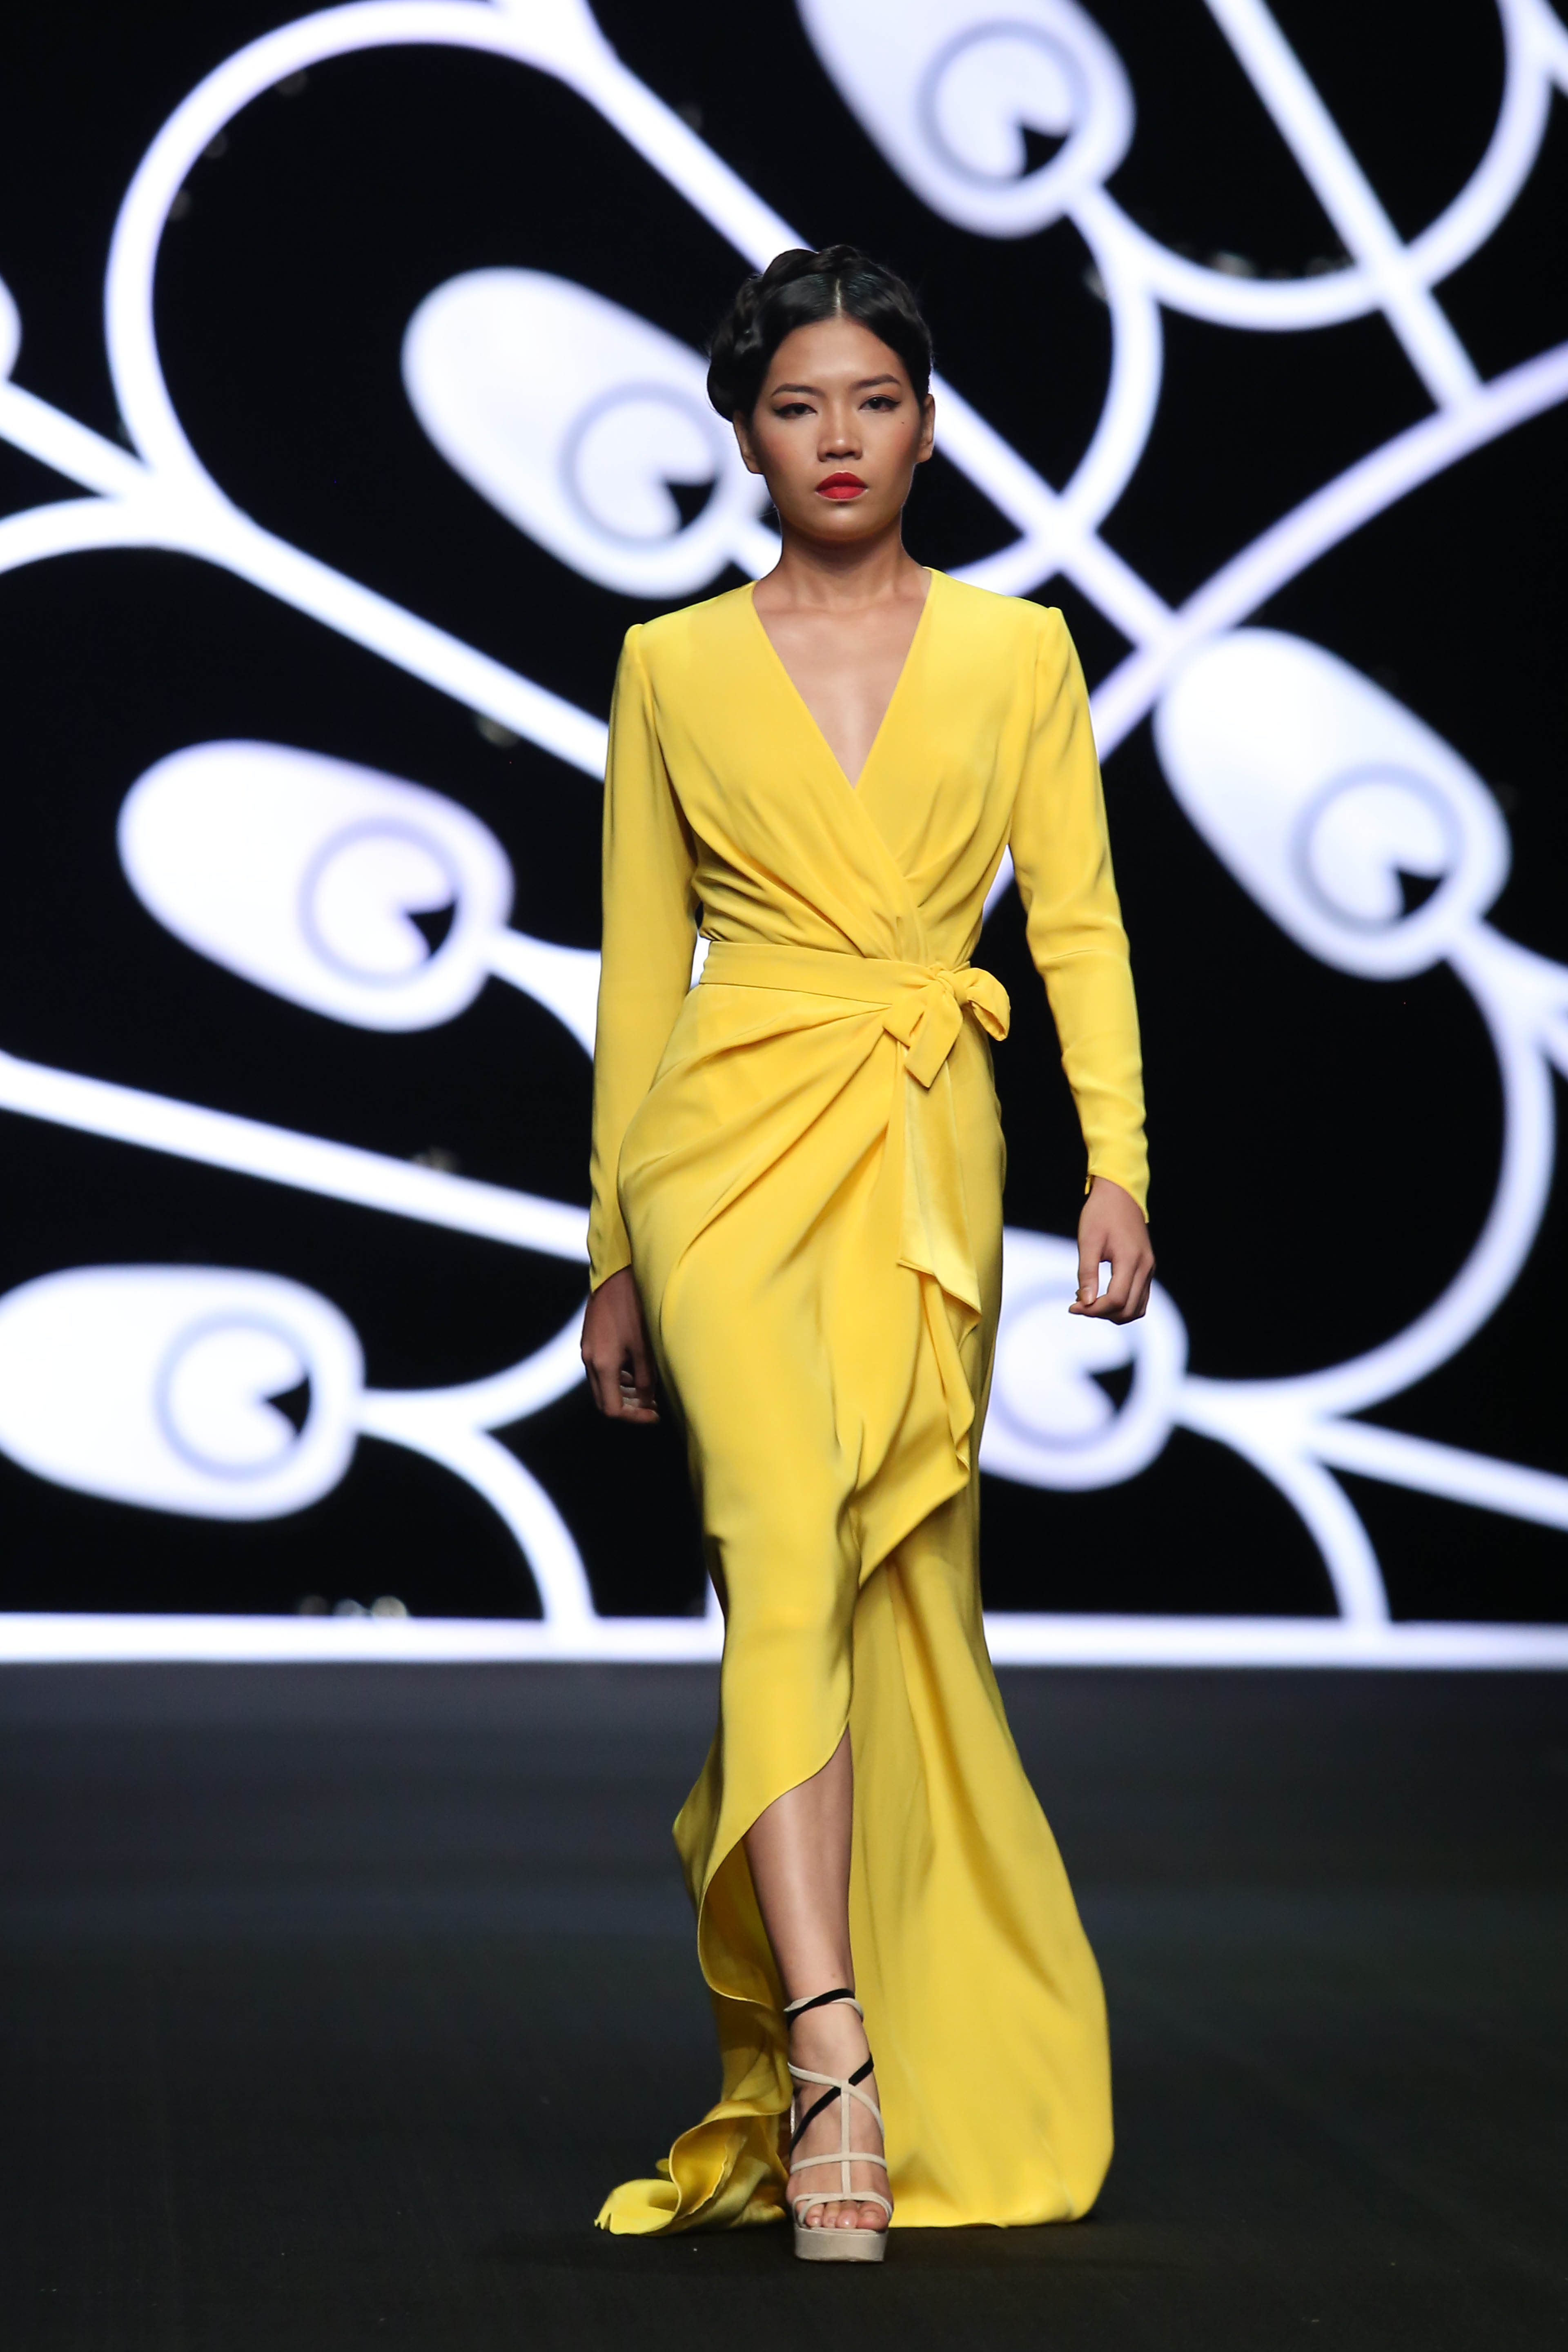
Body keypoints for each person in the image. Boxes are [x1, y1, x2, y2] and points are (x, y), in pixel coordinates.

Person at [581, 245, 1152, 2262]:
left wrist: (1117, 1164)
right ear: (746, 437)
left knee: (903, 1575)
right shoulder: (670, 666)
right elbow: (638, 969)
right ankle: (833, 2063)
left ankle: (904, 2028)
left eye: (876, 400)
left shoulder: (1021, 653)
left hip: (926, 1133)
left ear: (928, 425)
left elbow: (1077, 923)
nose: (839, 436)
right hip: (721, 1149)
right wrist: (609, 1249)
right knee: (776, 1536)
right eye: (799, 404)